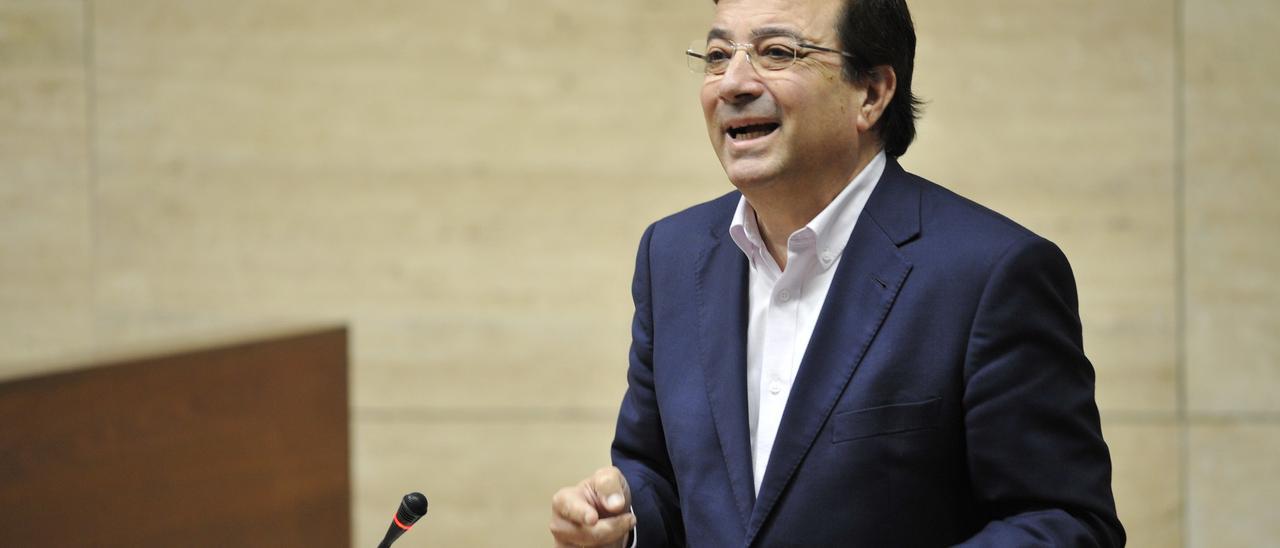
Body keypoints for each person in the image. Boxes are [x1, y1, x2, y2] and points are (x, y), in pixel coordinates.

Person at [549, 0, 1126, 545]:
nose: (734, 83)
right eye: (719, 56)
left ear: (871, 93)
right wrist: (623, 518)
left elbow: (1066, 521)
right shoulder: (669, 256)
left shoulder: (991, 274)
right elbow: (659, 475)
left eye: (778, 52)